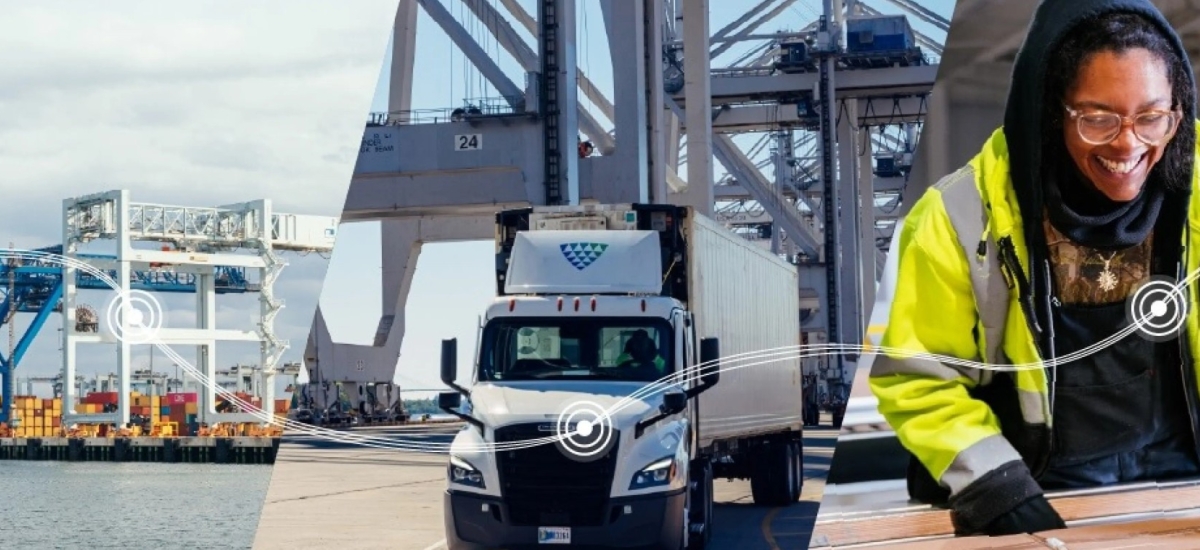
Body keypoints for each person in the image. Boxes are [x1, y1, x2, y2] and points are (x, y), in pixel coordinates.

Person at [870, 0, 1200, 538]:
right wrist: (994, 486)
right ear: (1051, 110)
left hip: (1183, 480)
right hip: (1037, 487)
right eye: (1097, 118)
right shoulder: (957, 216)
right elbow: (918, 377)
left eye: (1152, 116)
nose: (1128, 142)